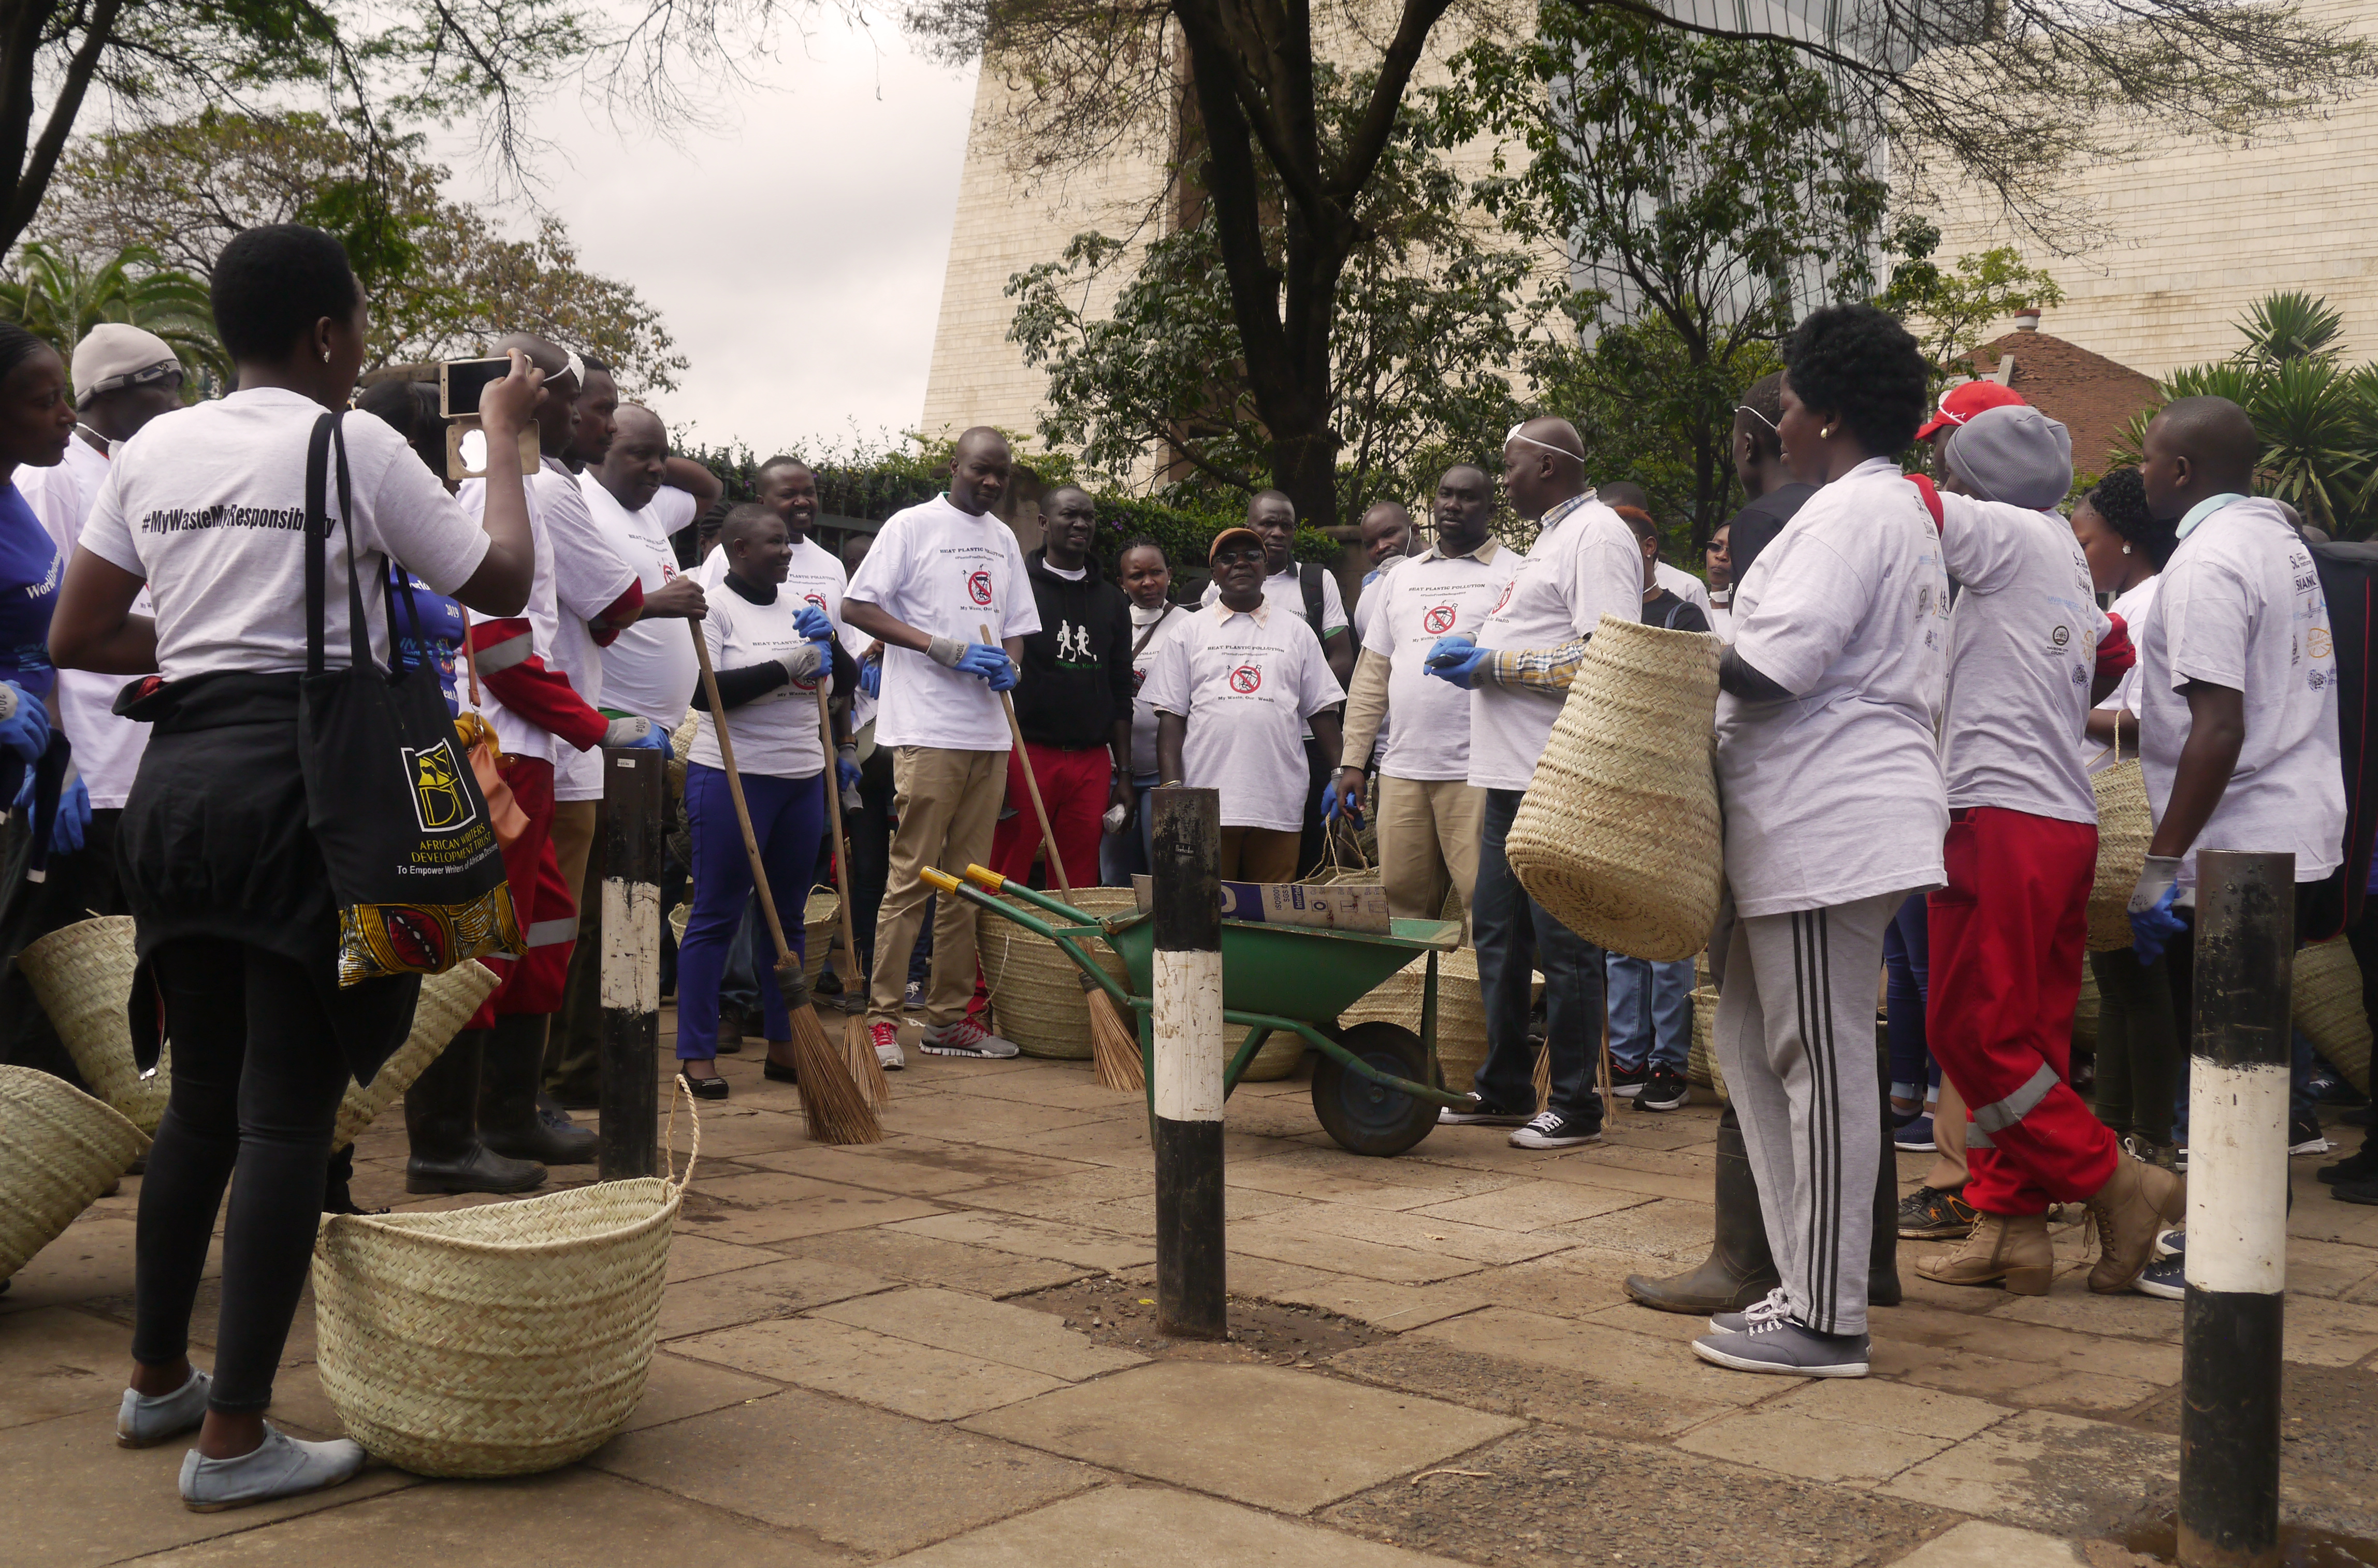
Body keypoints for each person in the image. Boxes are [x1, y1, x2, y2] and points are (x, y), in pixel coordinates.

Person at [50, 222, 540, 1508]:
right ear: (328, 336)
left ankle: (158, 1378)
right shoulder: (353, 440)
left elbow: (80, 629)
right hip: (302, 793)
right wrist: (508, 439)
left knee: (203, 1099)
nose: (364, 349)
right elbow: (502, 578)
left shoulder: (152, 447)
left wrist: (216, 633)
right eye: (360, 327)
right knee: (283, 1112)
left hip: (179, 789)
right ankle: (236, 1437)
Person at [1689, 303, 1946, 1378]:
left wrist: (1675, 627)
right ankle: (1800, 1284)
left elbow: (1774, 667)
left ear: (1827, 413)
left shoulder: (1853, 516)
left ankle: (1830, 1314)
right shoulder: (1858, 509)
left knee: (1819, 1058)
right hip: (1803, 820)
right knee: (1754, 1042)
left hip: (1823, 822)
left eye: (1788, 398)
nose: (1778, 416)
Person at [1913, 403, 2171, 1298]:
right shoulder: (2062, 545)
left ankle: (2114, 1180)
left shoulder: (1996, 527)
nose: (1939, 477)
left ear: (1973, 477)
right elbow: (2112, 649)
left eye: (1946, 462)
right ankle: (2012, 1225)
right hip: (2055, 816)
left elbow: (1897, 504)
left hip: (1999, 812)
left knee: (1968, 1029)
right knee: (2025, 1032)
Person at [2124, 395, 2341, 1285]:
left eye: (2146, 459)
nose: (2139, 472)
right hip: (2290, 822)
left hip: (2239, 843)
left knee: (2225, 1053)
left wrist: (2160, 865)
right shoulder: (2278, 539)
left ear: (2179, 471)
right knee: (2246, 1049)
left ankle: (2222, 1246)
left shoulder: (2207, 560)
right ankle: (2239, 1230)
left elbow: (2217, 726)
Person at [437, 332, 659, 1194]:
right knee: (486, 943)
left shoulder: (523, 484)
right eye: (574, 397)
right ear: (534, 397)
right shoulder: (509, 490)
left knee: (543, 931)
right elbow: (500, 647)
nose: (586, 413)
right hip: (502, 747)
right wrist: (593, 726)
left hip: (533, 747)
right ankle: (449, 1138)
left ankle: (510, 1109)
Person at [1420, 418, 1641, 1151]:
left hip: (1559, 776)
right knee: (1500, 937)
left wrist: (1491, 667)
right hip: (1508, 778)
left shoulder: (1598, 534)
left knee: (1565, 943)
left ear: (1548, 465)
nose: (1503, 476)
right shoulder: (1552, 536)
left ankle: (1577, 1104)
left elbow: (1606, 657)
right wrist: (1486, 650)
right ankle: (1507, 1083)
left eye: (1511, 465)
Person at [0, 325, 174, 1082]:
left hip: (44, 762)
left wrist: (56, 755)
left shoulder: (17, 498)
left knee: (67, 965)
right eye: (44, 403)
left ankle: (62, 1131)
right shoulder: (52, 482)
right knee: (32, 962)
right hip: (33, 771)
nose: (63, 416)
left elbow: (51, 640)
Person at [843, 427, 1037, 1065]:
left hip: (988, 732)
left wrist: (1011, 665)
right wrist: (937, 646)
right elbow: (856, 606)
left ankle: (948, 1019)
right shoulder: (911, 527)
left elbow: (1014, 629)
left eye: (1000, 474)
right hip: (927, 731)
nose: (990, 482)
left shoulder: (1005, 538)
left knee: (967, 883)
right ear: (953, 465)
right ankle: (882, 1019)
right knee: (913, 877)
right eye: (980, 470)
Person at [549, 402, 719, 1103]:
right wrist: (660, 600)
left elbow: (706, 489)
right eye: (637, 456)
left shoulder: (651, 511)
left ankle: (609, 1062)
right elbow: (594, 611)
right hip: (604, 734)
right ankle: (572, 1071)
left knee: (635, 902)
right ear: (594, 448)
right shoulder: (579, 502)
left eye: (661, 457)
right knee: (598, 911)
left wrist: (647, 448)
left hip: (653, 742)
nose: (655, 470)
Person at [676, 504, 850, 1097]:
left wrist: (828, 644)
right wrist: (786, 664)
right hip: (733, 776)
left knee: (789, 918)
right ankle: (697, 1055)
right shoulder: (712, 608)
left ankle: (785, 1044)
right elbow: (705, 693)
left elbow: (842, 681)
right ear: (738, 548)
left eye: (788, 544)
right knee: (716, 914)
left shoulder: (799, 605)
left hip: (801, 775)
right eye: (774, 543)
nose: (786, 552)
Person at [1336, 464, 1513, 934]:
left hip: (1477, 769)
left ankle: (1477, 1008)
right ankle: (1409, 1006)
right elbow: (1372, 675)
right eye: (1445, 495)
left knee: (1485, 905)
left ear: (1492, 508)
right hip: (1401, 769)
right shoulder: (1401, 577)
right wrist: (1353, 761)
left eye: (1468, 497)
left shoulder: (1515, 572)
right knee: (1400, 905)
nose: (1452, 505)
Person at [2070, 467, 2185, 1168]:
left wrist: (2059, 708)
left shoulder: (2146, 607)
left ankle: (2149, 1143)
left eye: (2087, 542)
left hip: (2133, 809)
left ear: (2124, 539)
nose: (2083, 556)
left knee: (2140, 987)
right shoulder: (2135, 601)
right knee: (2118, 983)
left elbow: (2149, 721)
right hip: (2114, 805)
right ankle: (2111, 1138)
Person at [1593, 502, 1709, 1113]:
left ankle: (1667, 1061)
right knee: (1617, 932)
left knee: (1665, 938)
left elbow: (1698, 698)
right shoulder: (1599, 614)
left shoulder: (1682, 614)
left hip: (1666, 791)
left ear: (1645, 548)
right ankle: (1626, 1056)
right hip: (1612, 792)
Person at [1148, 527, 1345, 881]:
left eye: (1251, 556)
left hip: (1278, 802)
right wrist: (1172, 791)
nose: (1240, 563)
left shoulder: (1297, 632)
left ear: (1266, 568)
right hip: (1204, 804)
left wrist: (1338, 774)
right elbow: (1171, 719)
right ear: (1214, 574)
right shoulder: (1188, 632)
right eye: (1228, 558)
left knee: (1270, 915)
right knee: (1206, 914)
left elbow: (1322, 711)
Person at [1199, 489, 1354, 874]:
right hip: (1247, 748)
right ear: (1249, 527)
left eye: (1286, 525)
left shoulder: (1317, 581)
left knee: (1304, 850)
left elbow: (1342, 657)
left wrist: (1285, 695)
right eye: (1268, 523)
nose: (1278, 532)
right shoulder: (1216, 591)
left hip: (1308, 740)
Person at [988, 484, 1132, 891]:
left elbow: (1122, 689)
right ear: (1044, 523)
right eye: (1070, 515)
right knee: (1005, 870)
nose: (1081, 524)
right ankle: (990, 956)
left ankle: (1067, 955)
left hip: (1091, 761)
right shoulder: (1017, 588)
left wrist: (1124, 773)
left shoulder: (1113, 600)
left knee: (1079, 880)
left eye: (1088, 516)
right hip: (1028, 752)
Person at [1099, 535, 1184, 885]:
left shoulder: (1189, 625)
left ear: (1169, 575)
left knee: (1163, 872)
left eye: (1156, 573)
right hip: (1113, 776)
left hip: (1167, 777)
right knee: (1115, 875)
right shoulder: (1108, 622)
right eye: (1137, 576)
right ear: (1121, 582)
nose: (1148, 583)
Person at [1603, 480, 1710, 622]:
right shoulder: (1598, 599)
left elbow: (1709, 644)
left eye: (1625, 539)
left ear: (1649, 546)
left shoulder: (1688, 593)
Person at [1704, 524, 1734, 641]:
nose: (1722, 556)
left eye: (1733, 551)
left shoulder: (1750, 619)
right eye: (1716, 547)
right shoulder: (1693, 610)